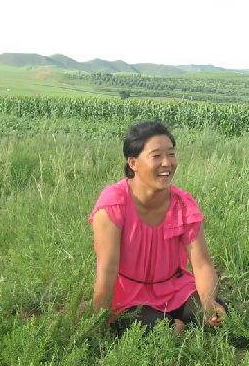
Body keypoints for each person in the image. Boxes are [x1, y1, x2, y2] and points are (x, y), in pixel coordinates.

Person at [90, 120, 225, 334]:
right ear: (133, 163)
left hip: (175, 289)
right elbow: (107, 269)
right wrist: (98, 319)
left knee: (226, 318)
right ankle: (172, 327)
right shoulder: (113, 204)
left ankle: (186, 322)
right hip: (130, 296)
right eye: (156, 156)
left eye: (171, 154)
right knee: (164, 331)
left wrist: (209, 305)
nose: (167, 163)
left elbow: (202, 265)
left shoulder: (183, 203)